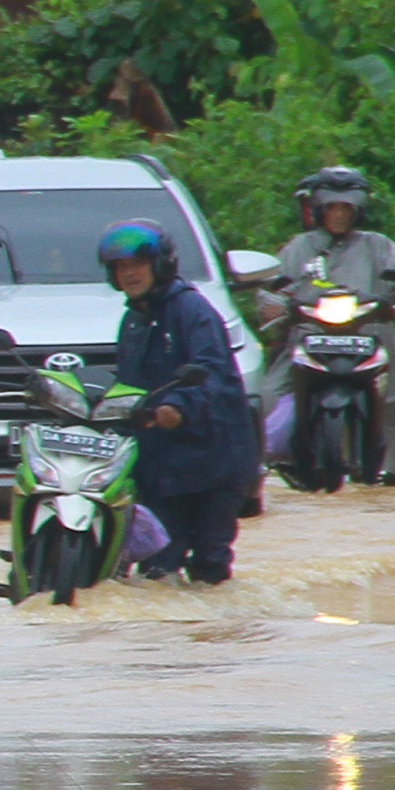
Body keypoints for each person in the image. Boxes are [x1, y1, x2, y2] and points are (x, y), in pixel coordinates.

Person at [100, 221, 256, 584]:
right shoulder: (133, 321)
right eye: (121, 267)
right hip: (161, 466)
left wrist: (178, 408)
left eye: (137, 264)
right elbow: (129, 387)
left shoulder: (192, 310)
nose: (130, 274)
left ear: (159, 265)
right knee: (158, 569)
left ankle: (216, 635)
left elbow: (211, 370)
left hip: (213, 462)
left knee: (209, 568)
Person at [269, 165, 395, 482]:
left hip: (368, 337)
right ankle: (274, 458)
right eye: (332, 206)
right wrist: (274, 305)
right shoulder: (299, 247)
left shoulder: (379, 245)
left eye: (346, 207)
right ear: (319, 208)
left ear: (358, 209)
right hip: (309, 338)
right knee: (265, 392)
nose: (338, 214)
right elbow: (273, 285)